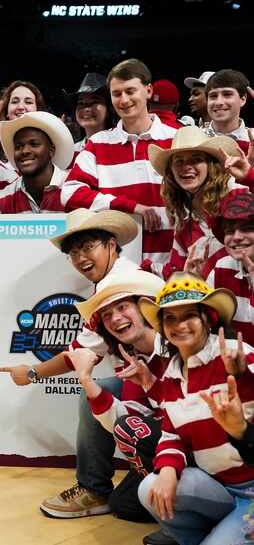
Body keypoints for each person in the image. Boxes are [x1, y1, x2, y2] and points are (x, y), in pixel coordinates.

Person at [0, 209, 141, 519]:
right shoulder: (116, 277)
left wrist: (32, 372)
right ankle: (103, 488)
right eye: (73, 252)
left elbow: (79, 352)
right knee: (99, 394)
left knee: (133, 503)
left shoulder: (118, 285)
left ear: (112, 244)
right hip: (151, 387)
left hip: (165, 396)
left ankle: (96, 488)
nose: (80, 257)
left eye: (88, 246)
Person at [137, 272, 254, 545]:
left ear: (207, 318)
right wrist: (167, 470)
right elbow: (171, 435)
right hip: (219, 488)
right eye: (170, 318)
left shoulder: (237, 354)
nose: (179, 325)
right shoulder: (171, 374)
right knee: (149, 489)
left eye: (189, 315)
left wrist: (243, 376)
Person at [66, 270, 175, 545]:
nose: (115, 318)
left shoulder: (179, 341)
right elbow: (125, 425)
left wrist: (151, 384)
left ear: (145, 307)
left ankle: (186, 523)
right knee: (124, 504)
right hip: (170, 446)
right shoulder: (133, 359)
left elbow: (190, 415)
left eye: (123, 306)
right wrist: (86, 379)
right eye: (106, 315)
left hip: (206, 448)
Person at [61, 58, 178, 274]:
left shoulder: (177, 139)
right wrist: (130, 207)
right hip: (119, 271)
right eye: (117, 94)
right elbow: (70, 194)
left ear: (149, 91)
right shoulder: (98, 143)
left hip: (174, 268)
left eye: (130, 91)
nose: (123, 100)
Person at [148, 125, 246, 279]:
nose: (187, 167)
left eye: (196, 159)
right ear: (171, 172)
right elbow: (178, 271)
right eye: (179, 161)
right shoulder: (184, 222)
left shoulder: (237, 195)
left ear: (211, 166)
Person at [0, 111, 74, 214]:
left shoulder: (74, 188)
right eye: (18, 147)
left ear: (51, 150)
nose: (25, 151)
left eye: (34, 144)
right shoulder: (4, 198)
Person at [205, 192, 254, 345]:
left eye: (246, 228)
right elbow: (202, 324)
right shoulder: (221, 267)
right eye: (230, 231)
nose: (237, 237)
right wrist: (192, 279)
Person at [0, 80, 47, 161]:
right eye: (15, 102)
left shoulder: (49, 144)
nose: (21, 107)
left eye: (28, 102)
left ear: (38, 110)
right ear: (7, 111)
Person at [204, 69, 252, 153]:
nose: (219, 102)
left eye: (227, 94)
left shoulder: (252, 139)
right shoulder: (193, 138)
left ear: (243, 99)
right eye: (213, 96)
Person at [64, 73, 112, 153]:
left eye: (94, 102)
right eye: (81, 103)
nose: (86, 108)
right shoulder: (71, 152)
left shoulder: (121, 146)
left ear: (108, 109)